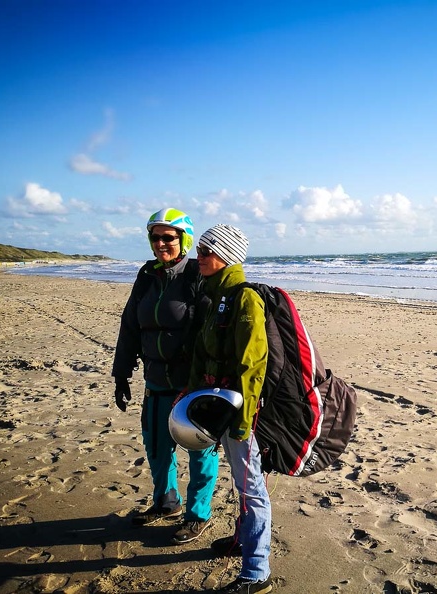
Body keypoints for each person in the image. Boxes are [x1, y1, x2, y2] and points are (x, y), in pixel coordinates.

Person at [112, 208, 219, 545]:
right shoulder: (147, 275)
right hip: (155, 382)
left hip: (192, 387)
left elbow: (212, 332)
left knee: (200, 453)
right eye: (155, 237)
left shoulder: (195, 275)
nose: (160, 244)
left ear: (183, 239)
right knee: (157, 448)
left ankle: (197, 515)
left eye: (168, 237)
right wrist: (121, 374)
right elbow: (129, 326)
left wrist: (208, 381)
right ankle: (166, 503)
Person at [186, 224, 272, 594]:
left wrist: (242, 421)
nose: (199, 256)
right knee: (240, 481)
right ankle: (241, 542)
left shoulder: (243, 298)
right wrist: (191, 394)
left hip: (241, 411)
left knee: (251, 487)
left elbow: (252, 365)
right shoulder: (214, 295)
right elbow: (204, 351)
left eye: (206, 250)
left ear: (226, 255)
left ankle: (256, 573)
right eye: (200, 249)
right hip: (220, 404)